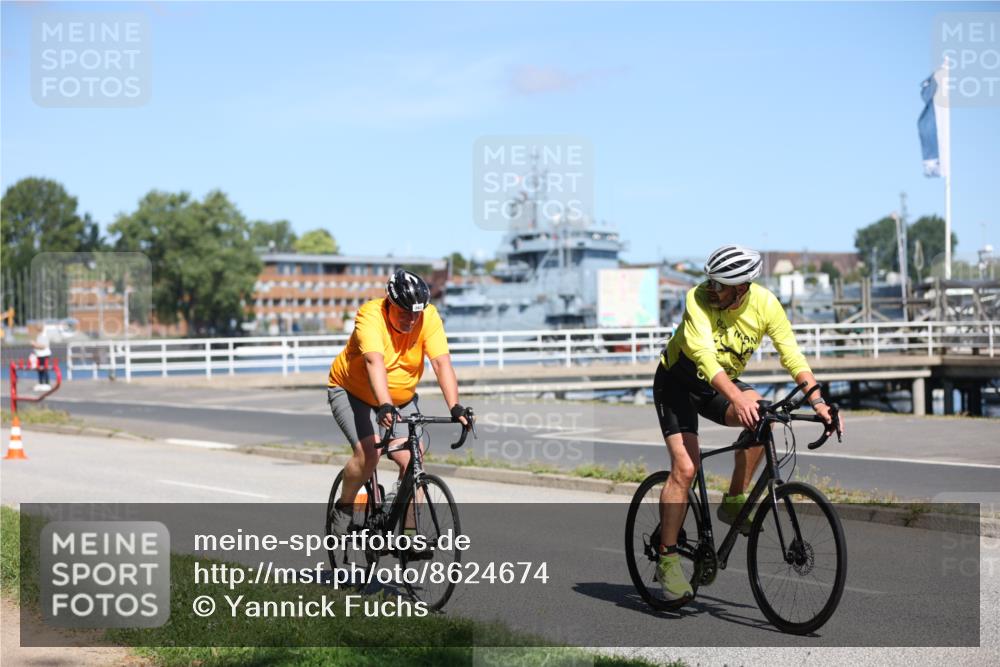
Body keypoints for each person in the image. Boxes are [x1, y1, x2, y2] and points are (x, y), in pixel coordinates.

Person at [652, 245, 842, 601]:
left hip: (715, 385)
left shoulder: (765, 304)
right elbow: (705, 359)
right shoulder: (698, 299)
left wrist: (817, 400)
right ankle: (667, 558)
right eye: (710, 281)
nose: (712, 289)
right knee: (685, 468)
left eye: (720, 285)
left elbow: (791, 352)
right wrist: (738, 397)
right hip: (678, 382)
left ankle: (735, 498)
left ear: (741, 289)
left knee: (764, 417)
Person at [326, 269, 472, 537]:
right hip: (352, 391)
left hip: (401, 398)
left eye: (416, 313)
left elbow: (441, 363)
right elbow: (374, 362)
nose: (412, 319)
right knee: (369, 454)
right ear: (389, 304)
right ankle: (344, 506)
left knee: (413, 459)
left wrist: (455, 406)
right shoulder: (370, 316)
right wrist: (384, 404)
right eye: (405, 312)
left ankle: (408, 533)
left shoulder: (427, 316)